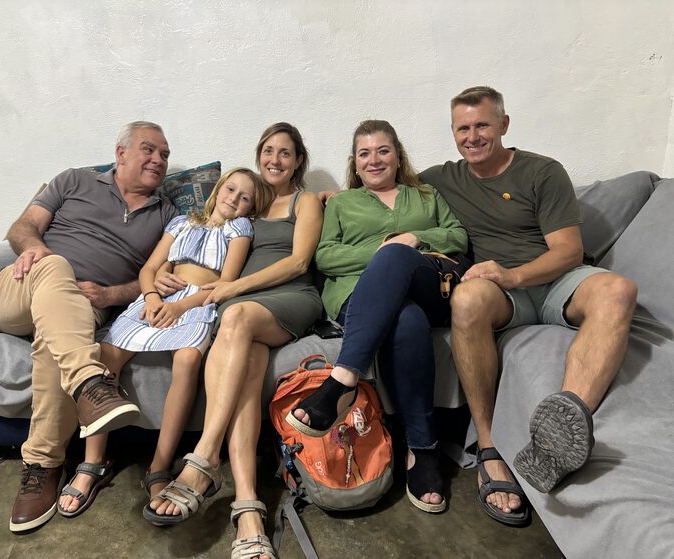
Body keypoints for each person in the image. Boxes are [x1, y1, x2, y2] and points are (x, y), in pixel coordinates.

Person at [419, 86, 638, 526]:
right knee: (466, 298)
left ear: (504, 124)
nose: (473, 136)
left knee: (619, 290)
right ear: (453, 133)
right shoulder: (442, 179)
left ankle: (559, 432)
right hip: (502, 297)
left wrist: (513, 275)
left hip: (553, 281)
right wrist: (329, 199)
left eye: (483, 125)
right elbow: (383, 181)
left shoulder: (542, 171)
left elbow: (568, 251)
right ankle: (489, 448)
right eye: (463, 128)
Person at [0, 121, 178, 533]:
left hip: (85, 310)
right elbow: (22, 227)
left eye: (164, 155)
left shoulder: (167, 215)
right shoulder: (74, 180)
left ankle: (42, 465)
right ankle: (90, 383)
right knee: (56, 267)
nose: (158, 160)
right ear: (120, 153)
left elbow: (157, 277)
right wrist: (37, 251)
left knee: (58, 339)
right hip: (20, 290)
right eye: (148, 149)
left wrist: (110, 295)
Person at [148, 123, 323, 559]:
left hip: (286, 298)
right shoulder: (247, 204)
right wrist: (165, 277)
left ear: (298, 161)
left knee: (235, 317)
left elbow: (299, 262)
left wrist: (232, 290)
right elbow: (196, 242)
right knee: (246, 370)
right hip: (241, 312)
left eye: (285, 153)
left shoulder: (304, 201)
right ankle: (248, 511)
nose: (275, 160)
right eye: (268, 151)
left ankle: (205, 457)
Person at [56, 168, 272, 518]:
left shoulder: (239, 229)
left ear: (251, 207)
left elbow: (226, 283)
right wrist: (153, 295)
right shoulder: (183, 223)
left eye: (245, 197)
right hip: (159, 298)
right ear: (218, 190)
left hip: (198, 303)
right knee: (106, 355)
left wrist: (180, 307)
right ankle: (93, 461)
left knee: (188, 359)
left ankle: (159, 465)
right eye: (231, 189)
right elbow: (150, 268)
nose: (234, 199)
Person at [287, 119, 468, 513]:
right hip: (359, 296)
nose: (374, 160)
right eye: (364, 153)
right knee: (406, 320)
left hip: (426, 285)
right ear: (355, 162)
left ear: (397, 156)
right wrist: (382, 250)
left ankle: (343, 379)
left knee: (399, 256)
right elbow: (325, 256)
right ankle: (423, 448)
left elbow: (457, 236)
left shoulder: (425, 194)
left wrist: (415, 239)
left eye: (383, 151)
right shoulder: (341, 203)